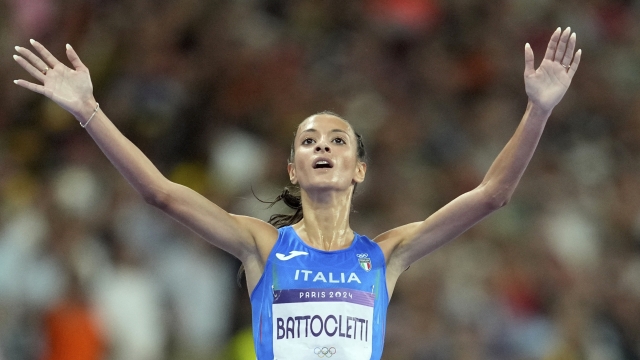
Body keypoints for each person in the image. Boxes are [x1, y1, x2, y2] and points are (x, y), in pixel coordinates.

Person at [12, 27, 581, 360]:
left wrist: (537, 111)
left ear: (359, 168)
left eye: (338, 140)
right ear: (292, 168)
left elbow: (491, 195)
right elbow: (161, 194)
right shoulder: (262, 247)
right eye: (310, 141)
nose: (324, 146)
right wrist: (88, 110)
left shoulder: (384, 255)